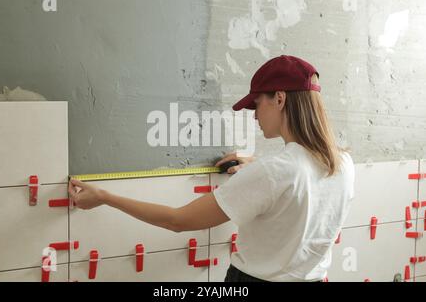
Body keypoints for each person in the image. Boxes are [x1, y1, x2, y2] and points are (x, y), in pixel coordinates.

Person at [68, 55, 355, 282]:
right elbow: (296, 178)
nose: (254, 115)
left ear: (279, 98)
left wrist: (105, 197)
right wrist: (255, 164)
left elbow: (176, 221)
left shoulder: (274, 173)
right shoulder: (343, 164)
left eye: (257, 104)